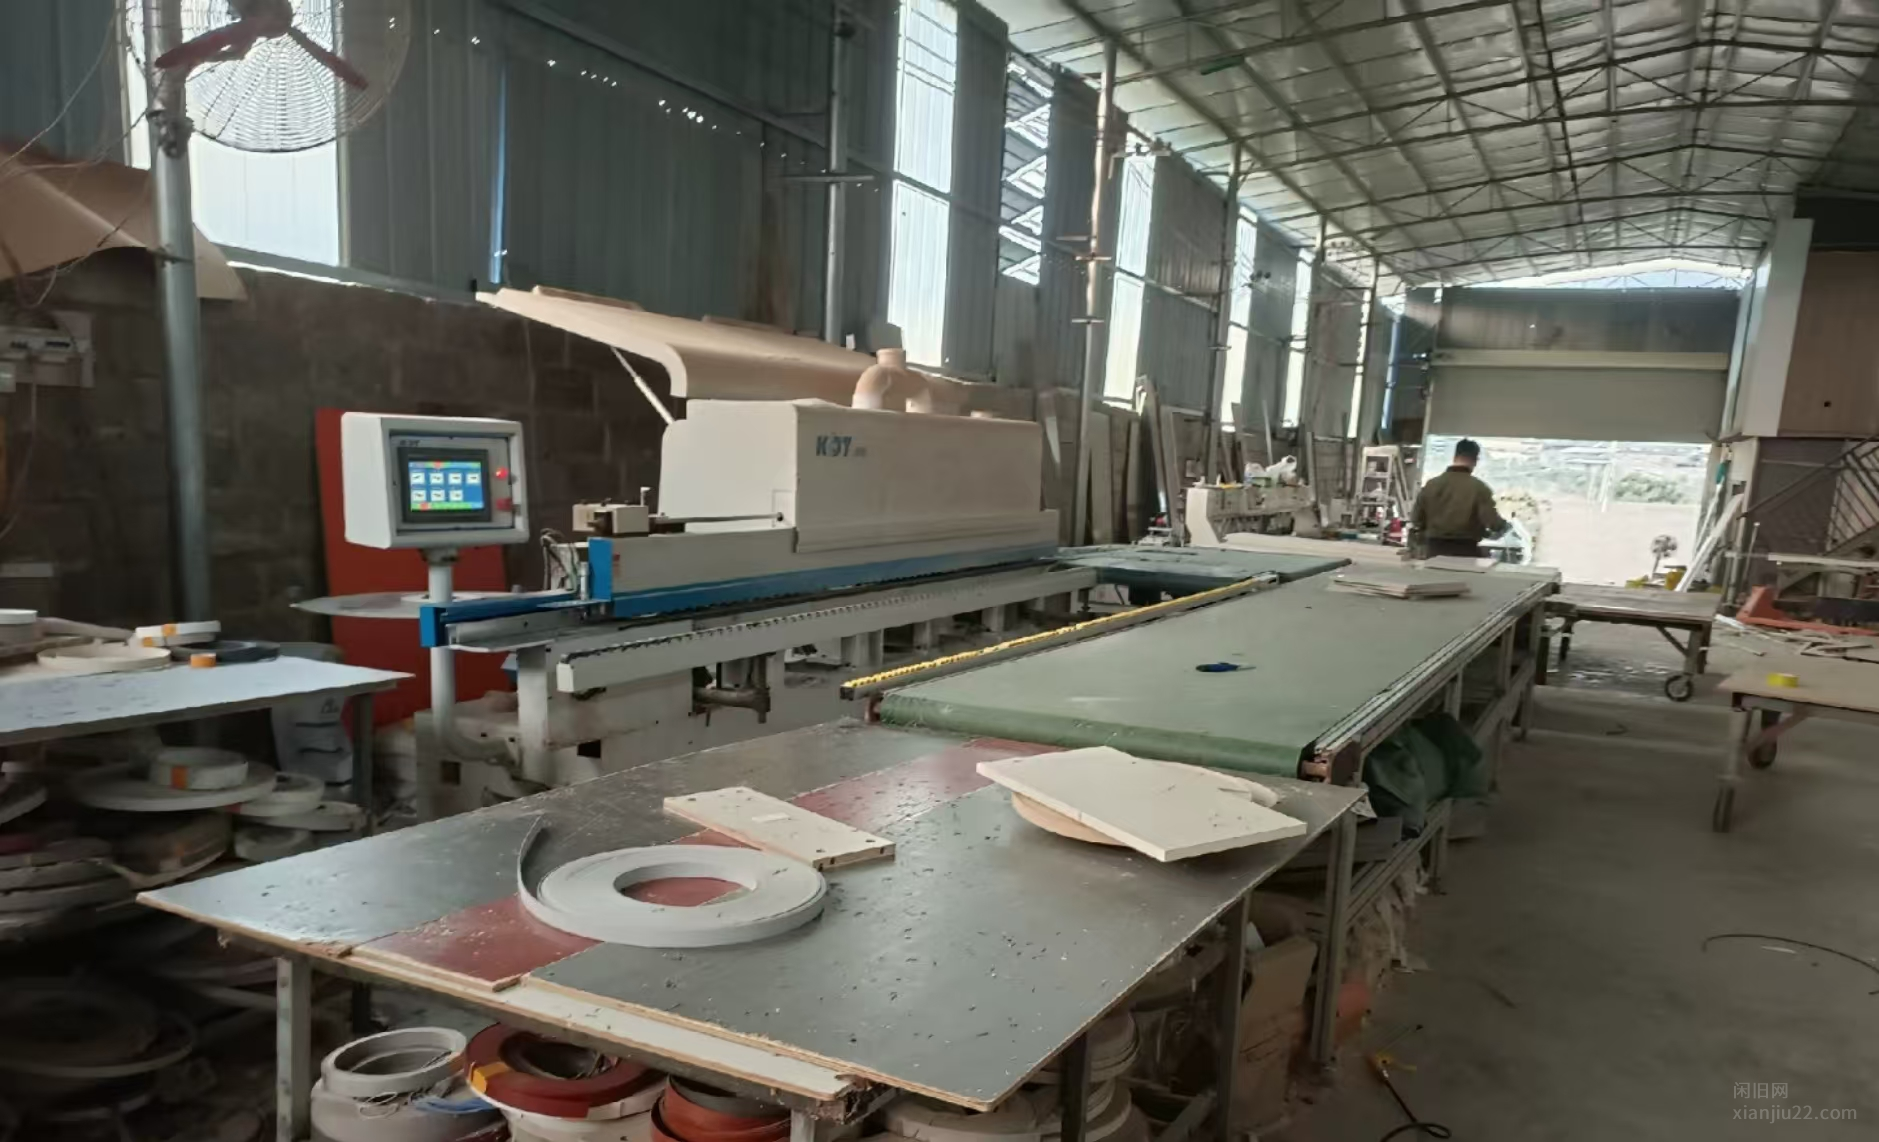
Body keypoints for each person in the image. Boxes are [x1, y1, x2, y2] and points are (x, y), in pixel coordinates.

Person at [1411, 438, 1506, 558]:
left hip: (1433, 551)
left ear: (1455, 457)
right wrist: (1504, 526)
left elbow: (1416, 519)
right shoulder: (1479, 488)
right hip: (1465, 551)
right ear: (1475, 460)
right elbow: (1493, 523)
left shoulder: (1431, 485)